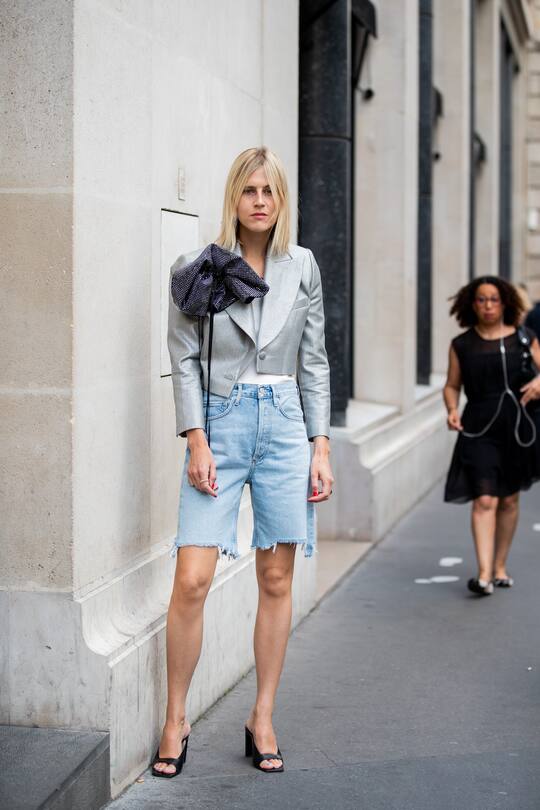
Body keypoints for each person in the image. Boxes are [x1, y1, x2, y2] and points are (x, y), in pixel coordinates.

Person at [152, 147, 334, 777]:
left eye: (270, 191)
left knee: (277, 579)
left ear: (282, 200)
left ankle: (262, 715)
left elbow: (314, 360)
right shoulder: (197, 267)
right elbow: (183, 358)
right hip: (220, 426)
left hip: (284, 425)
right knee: (192, 578)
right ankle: (176, 719)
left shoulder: (301, 266)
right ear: (233, 195)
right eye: (250, 190)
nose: (260, 201)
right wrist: (196, 439)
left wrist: (320, 446)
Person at [443, 276, 540, 596]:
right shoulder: (462, 345)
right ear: (472, 304)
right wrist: (452, 409)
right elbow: (452, 385)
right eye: (481, 300)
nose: (487, 306)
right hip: (479, 427)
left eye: (494, 299)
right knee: (484, 498)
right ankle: (484, 574)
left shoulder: (525, 338)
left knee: (509, 499)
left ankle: (500, 567)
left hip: (517, 427)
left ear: (505, 303)